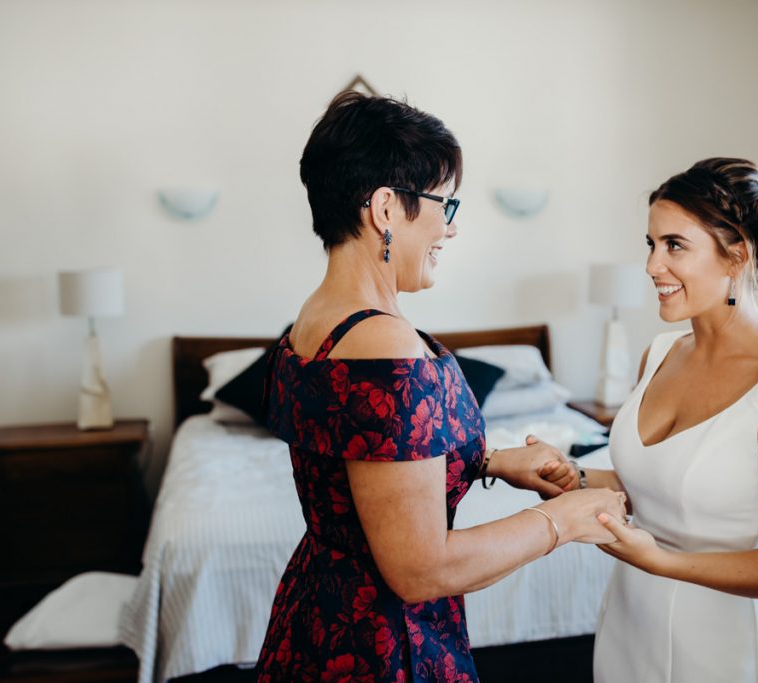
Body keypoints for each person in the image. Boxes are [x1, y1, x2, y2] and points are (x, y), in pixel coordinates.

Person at [255, 91, 626, 683]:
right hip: (385, 645)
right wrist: (567, 521)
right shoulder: (389, 349)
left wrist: (492, 461)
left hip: (317, 614)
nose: (449, 230)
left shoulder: (314, 321)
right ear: (385, 209)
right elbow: (420, 569)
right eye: (443, 205)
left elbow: (363, 458)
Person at [584, 158, 758, 682]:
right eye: (651, 244)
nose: (653, 265)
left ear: (736, 257)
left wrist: (661, 562)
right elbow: (660, 486)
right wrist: (570, 477)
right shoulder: (657, 355)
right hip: (628, 622)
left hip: (722, 646)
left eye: (674, 245)